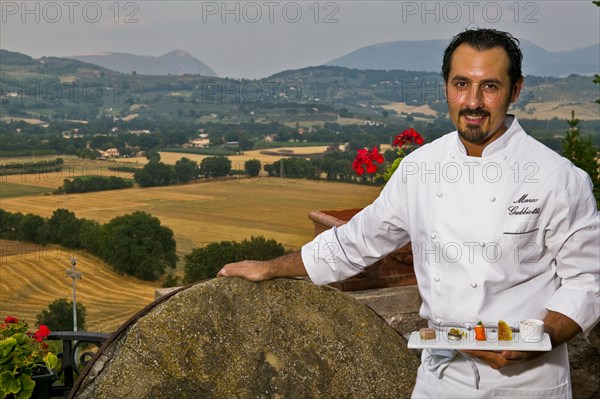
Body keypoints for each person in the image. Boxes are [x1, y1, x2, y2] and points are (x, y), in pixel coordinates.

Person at [218, 28, 599, 398]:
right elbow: (355, 242)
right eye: (461, 84)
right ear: (446, 87)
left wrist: (537, 342)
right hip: (441, 378)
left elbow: (587, 281)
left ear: (515, 90)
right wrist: (269, 268)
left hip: (525, 384)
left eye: (491, 86)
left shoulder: (559, 178)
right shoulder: (420, 168)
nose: (473, 102)